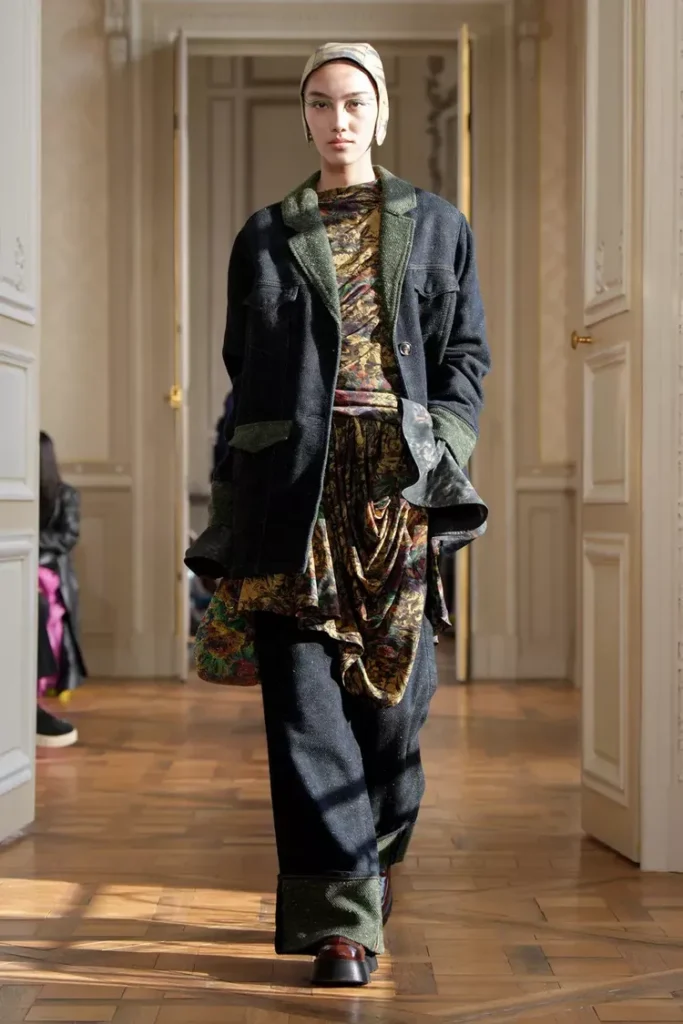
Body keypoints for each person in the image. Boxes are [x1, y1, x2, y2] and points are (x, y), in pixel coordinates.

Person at [185, 42, 490, 987]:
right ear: (306, 115)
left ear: (380, 111)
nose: (337, 119)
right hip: (292, 497)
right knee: (303, 710)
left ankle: (370, 859)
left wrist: (440, 446)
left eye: (353, 101)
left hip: (396, 496)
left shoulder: (437, 226)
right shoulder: (264, 235)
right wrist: (233, 508)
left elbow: (465, 357)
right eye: (320, 102)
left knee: (395, 715)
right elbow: (243, 377)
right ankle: (339, 925)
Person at [36, 431, 86, 745]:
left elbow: (67, 537)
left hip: (49, 569)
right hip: (30, 567)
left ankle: (37, 691)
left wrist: (31, 544)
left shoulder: (65, 495)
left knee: (41, 605)